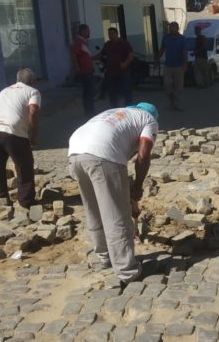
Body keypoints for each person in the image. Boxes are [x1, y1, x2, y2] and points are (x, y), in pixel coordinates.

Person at [68, 102, 159, 284]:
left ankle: (104, 257)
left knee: (93, 209)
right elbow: (143, 155)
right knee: (117, 215)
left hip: (74, 154)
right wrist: (138, 185)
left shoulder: (115, 113)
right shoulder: (149, 119)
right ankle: (127, 271)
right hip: (103, 156)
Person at [0, 68, 41, 208]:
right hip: (12, 130)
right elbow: (33, 111)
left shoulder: (4, 90)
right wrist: (33, 135)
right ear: (33, 81)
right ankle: (26, 202)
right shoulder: (33, 91)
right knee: (24, 165)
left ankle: (0, 198)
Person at [99, 27, 134, 107]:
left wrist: (125, 63)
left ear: (116, 34)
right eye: (109, 34)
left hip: (123, 72)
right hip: (111, 72)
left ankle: (129, 108)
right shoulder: (107, 44)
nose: (111, 36)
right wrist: (92, 58)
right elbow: (102, 54)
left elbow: (131, 56)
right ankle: (114, 109)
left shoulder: (124, 43)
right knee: (112, 93)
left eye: (112, 34)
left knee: (126, 91)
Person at [157, 22, 187, 110]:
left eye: (173, 27)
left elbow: (184, 52)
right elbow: (162, 49)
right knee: (166, 84)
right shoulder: (166, 37)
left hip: (179, 66)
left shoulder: (182, 39)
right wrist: (157, 59)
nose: (171, 29)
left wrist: (185, 65)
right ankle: (171, 98)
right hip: (168, 65)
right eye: (170, 27)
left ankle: (177, 104)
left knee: (179, 86)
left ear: (177, 28)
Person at [71, 23, 95, 119]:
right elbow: (74, 55)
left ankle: (90, 111)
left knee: (90, 92)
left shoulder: (84, 42)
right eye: (87, 30)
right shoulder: (78, 42)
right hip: (84, 72)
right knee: (88, 92)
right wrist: (77, 68)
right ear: (82, 31)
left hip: (88, 70)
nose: (89, 32)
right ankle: (89, 112)